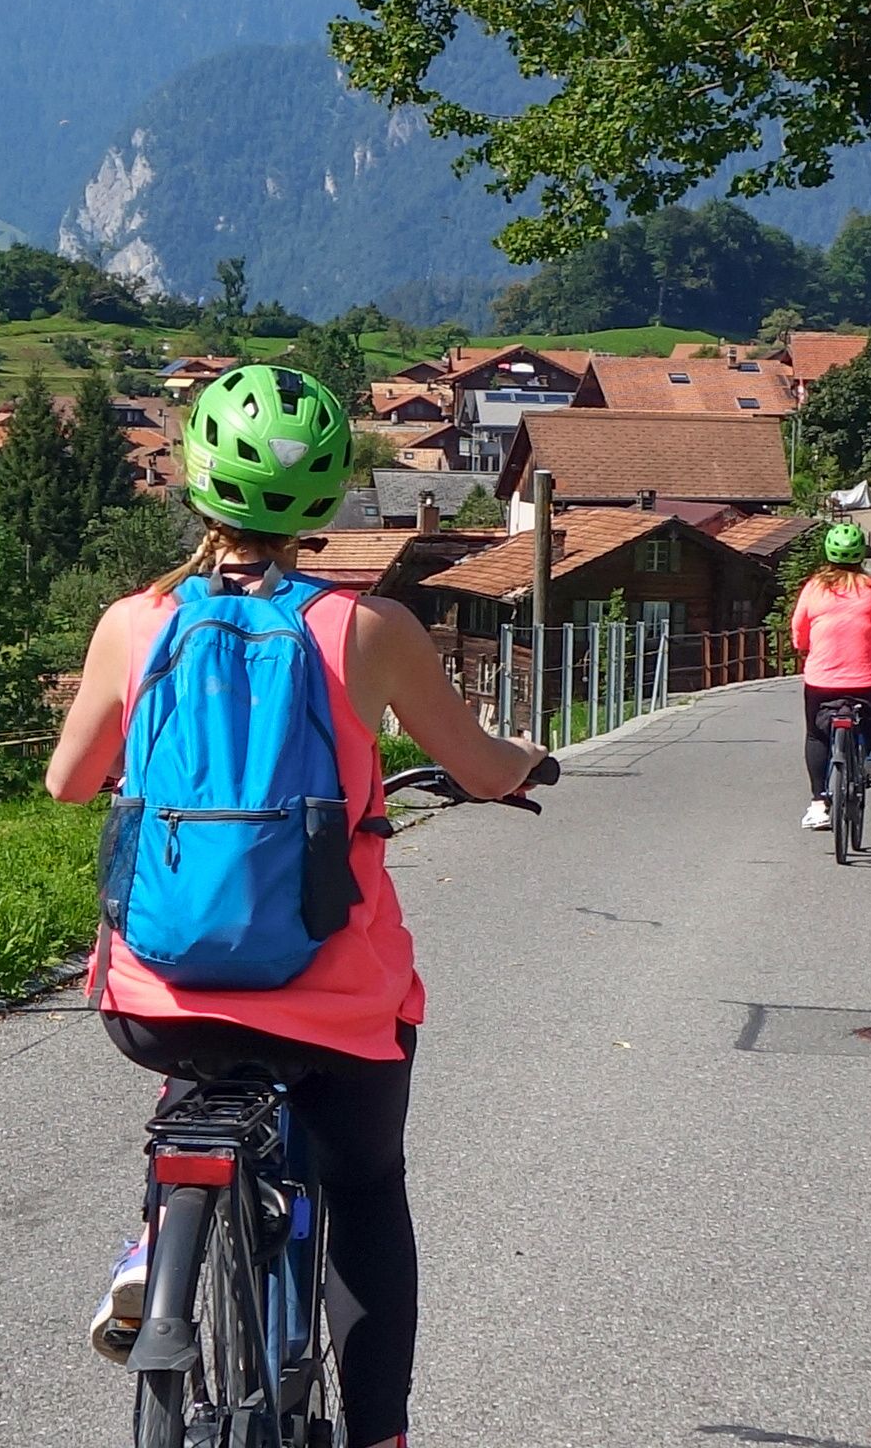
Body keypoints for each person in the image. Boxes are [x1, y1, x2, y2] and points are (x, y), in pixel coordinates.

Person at [46, 362, 549, 1448]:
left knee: (202, 1060)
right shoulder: (370, 631)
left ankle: (155, 1244)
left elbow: (67, 782)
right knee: (365, 1188)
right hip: (333, 1003)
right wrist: (527, 760)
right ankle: (379, 1437)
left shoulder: (133, 624)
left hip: (156, 989)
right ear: (322, 503)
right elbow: (479, 763)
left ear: (194, 481)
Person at [788, 520, 871, 828]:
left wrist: (803, 646)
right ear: (862, 555)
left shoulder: (814, 588)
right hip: (866, 681)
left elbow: (798, 631)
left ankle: (819, 802)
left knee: (816, 734)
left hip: (821, 681)